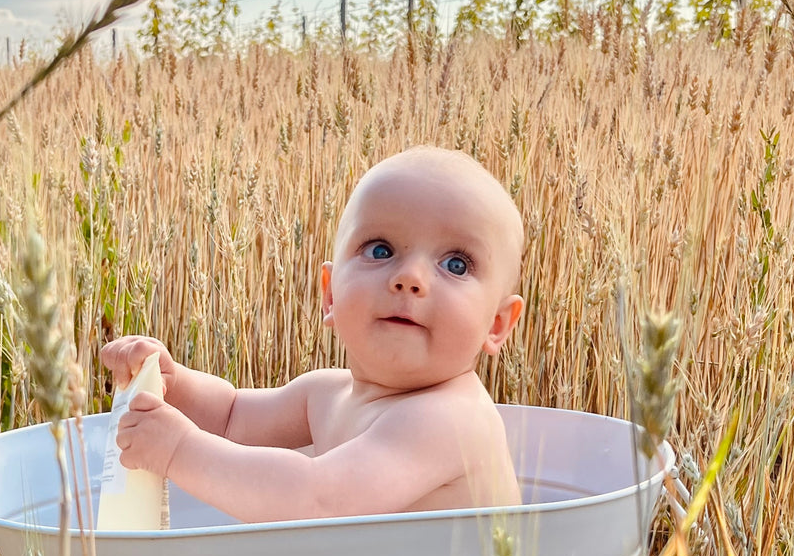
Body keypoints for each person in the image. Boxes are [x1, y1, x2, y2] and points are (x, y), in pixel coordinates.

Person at [100, 146, 525, 522]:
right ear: (331, 295)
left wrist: (178, 450)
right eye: (380, 250)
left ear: (497, 324)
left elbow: (316, 500)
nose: (410, 278)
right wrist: (173, 383)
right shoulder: (325, 394)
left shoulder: (451, 419)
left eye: (456, 264)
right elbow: (231, 418)